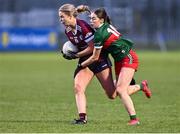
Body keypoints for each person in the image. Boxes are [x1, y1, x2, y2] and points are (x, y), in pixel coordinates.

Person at [59, 4, 151, 125]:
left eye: (62, 17)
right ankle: (82, 118)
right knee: (78, 87)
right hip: (87, 60)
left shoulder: (84, 27)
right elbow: (80, 42)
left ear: (71, 16)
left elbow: (92, 50)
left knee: (113, 94)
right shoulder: (68, 31)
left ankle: (140, 87)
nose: (60, 20)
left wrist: (75, 56)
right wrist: (71, 52)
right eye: (59, 17)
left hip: (98, 59)